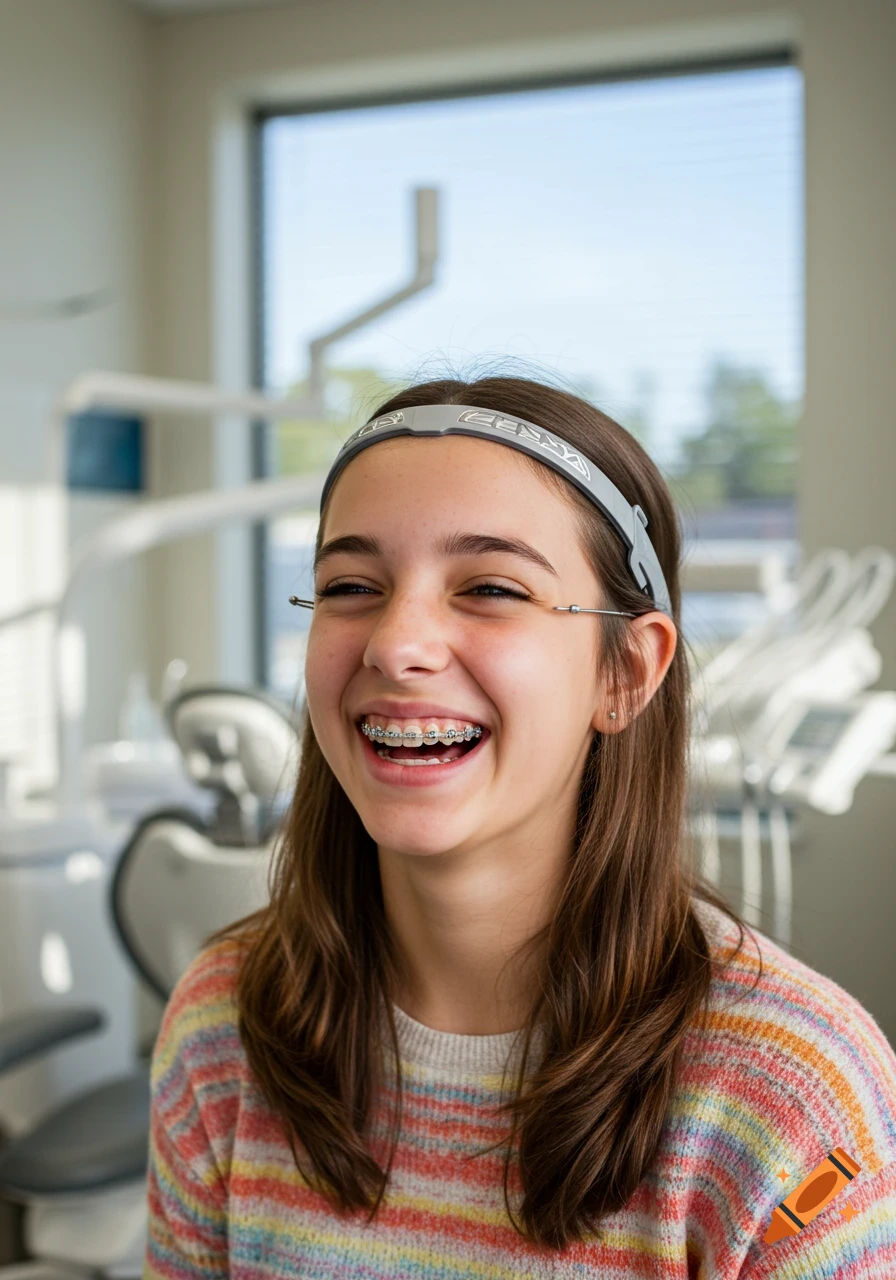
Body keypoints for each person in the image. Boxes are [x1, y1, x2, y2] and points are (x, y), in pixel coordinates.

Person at [143, 374, 896, 1280]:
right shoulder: (226, 1025)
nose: (394, 643)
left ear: (625, 671)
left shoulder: (793, 1102)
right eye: (349, 585)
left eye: (491, 587)